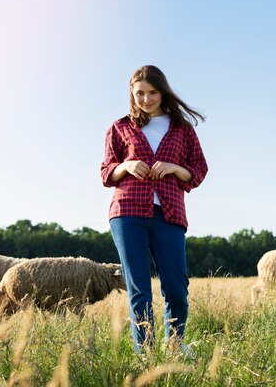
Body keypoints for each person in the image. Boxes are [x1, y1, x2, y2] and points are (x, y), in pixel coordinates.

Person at [100, 65, 208, 354]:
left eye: (152, 93)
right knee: (139, 288)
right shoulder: (120, 127)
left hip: (169, 212)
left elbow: (199, 169)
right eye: (139, 94)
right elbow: (105, 172)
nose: (146, 99)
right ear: (132, 94)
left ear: (163, 92)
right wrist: (125, 165)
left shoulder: (182, 129)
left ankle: (174, 344)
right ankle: (144, 353)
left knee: (175, 285)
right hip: (127, 212)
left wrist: (175, 168)